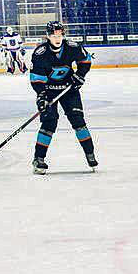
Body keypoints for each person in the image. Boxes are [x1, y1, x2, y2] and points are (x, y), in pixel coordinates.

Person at [29, 21, 96, 174]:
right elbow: (37, 79)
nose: (57, 38)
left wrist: (79, 75)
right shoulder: (40, 53)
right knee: (49, 123)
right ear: (47, 36)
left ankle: (90, 154)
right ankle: (39, 159)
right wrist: (42, 97)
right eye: (53, 35)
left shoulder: (72, 47)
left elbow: (86, 60)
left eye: (60, 35)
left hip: (69, 89)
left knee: (78, 120)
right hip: (49, 91)